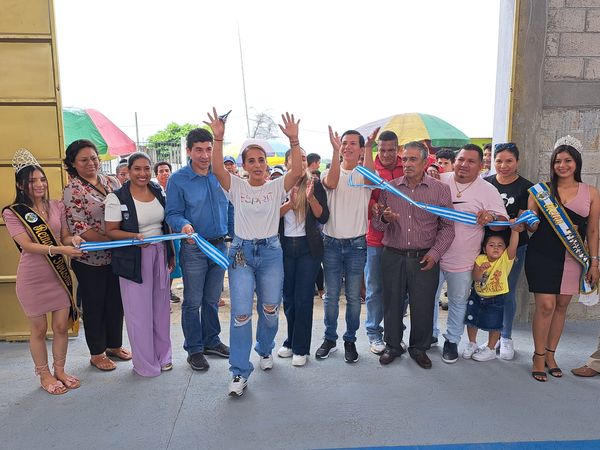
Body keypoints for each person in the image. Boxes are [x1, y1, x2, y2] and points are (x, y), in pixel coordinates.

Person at [205, 108, 303, 396]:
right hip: (241, 254)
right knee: (240, 314)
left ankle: (264, 347)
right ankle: (238, 371)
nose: (257, 164)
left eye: (261, 160)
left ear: (266, 163)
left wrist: (294, 140)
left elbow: (297, 172)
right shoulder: (235, 186)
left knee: (270, 309)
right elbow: (217, 170)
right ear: (244, 165)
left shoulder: (276, 186)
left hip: (271, 252)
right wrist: (218, 138)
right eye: (252, 160)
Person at [2, 149, 84, 394]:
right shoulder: (13, 212)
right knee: (38, 330)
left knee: (61, 327)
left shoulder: (57, 206)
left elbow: (64, 236)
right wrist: (60, 249)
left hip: (58, 277)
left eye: (42, 179)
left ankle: (60, 370)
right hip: (33, 279)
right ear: (20, 184)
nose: (39, 184)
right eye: (32, 181)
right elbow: (26, 245)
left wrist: (74, 240)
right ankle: (44, 374)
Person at [372, 142, 454, 368]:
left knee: (423, 305)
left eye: (413, 159)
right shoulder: (390, 188)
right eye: (405, 159)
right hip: (393, 255)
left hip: (424, 257)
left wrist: (435, 254)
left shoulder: (440, 190)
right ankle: (392, 346)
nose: (407, 164)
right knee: (392, 304)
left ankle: (419, 348)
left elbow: (448, 227)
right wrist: (384, 218)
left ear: (425, 162)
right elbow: (378, 225)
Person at [525, 136, 600, 382]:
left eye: (568, 160)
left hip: (572, 257)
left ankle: (551, 355)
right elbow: (532, 226)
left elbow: (593, 231)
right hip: (541, 254)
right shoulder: (540, 191)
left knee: (561, 306)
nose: (562, 165)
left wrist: (594, 262)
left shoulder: (591, 193)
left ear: (576, 163)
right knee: (546, 306)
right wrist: (527, 221)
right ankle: (538, 356)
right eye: (557, 161)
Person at [63, 139, 131, 371]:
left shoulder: (111, 181)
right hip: (90, 260)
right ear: (73, 163)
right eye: (84, 160)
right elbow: (80, 227)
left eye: (93, 158)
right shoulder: (72, 189)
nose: (91, 163)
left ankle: (114, 345)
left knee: (116, 302)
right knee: (94, 305)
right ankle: (97, 352)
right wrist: (114, 240)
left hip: (117, 255)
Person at [165, 128, 230, 371]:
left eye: (209, 149)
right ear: (189, 151)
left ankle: (212, 341)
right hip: (194, 248)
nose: (205, 155)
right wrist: (184, 225)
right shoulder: (178, 180)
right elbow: (172, 213)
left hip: (220, 246)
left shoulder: (220, 175)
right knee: (192, 301)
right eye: (199, 150)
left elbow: (231, 208)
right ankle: (194, 349)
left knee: (212, 299)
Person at [105, 152, 174, 376]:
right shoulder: (117, 197)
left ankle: (164, 357)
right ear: (128, 171)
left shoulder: (157, 190)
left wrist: (170, 254)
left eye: (146, 168)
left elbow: (165, 225)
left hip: (160, 253)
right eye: (137, 169)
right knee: (138, 313)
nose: (142, 173)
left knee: (161, 309)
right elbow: (111, 231)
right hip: (133, 259)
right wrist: (134, 237)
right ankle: (145, 364)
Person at [438, 144, 508, 363]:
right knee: (427, 299)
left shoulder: (488, 190)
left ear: (480, 166)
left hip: (464, 259)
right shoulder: (440, 180)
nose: (464, 165)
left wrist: (491, 217)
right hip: (433, 254)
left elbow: (503, 221)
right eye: (460, 159)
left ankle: (452, 341)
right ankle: (428, 336)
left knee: (458, 301)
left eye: (471, 161)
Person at [317, 127, 375, 363]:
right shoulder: (329, 172)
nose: (348, 147)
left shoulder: (364, 174)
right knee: (330, 296)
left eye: (353, 143)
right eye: (344, 143)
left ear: (360, 149)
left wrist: (369, 148)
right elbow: (331, 183)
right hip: (331, 244)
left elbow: (372, 180)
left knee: (353, 297)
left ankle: (350, 340)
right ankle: (329, 339)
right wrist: (334, 151)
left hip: (357, 246)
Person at [277, 148, 329, 366]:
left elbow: (323, 217)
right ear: (287, 162)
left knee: (303, 298)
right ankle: (290, 341)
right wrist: (290, 203)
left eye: (304, 158)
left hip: (309, 248)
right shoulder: (278, 184)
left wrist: (310, 199)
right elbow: (270, 217)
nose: (302, 162)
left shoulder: (314, 183)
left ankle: (301, 347)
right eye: (297, 158)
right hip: (284, 247)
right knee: (288, 297)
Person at [483, 143, 533, 359]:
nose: (503, 166)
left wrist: (521, 223)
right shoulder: (485, 183)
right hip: (487, 247)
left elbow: (527, 220)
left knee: (507, 291)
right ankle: (489, 337)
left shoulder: (527, 187)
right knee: (487, 289)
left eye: (509, 161)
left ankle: (506, 337)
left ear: (517, 162)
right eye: (499, 161)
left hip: (514, 247)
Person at [364, 130, 403, 355]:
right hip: (376, 240)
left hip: (402, 240)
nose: (387, 154)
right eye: (383, 149)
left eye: (391, 150)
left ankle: (395, 334)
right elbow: (363, 195)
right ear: (377, 149)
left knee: (400, 291)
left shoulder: (408, 166)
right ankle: (374, 333)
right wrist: (373, 206)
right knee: (375, 289)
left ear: (398, 149)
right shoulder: (369, 168)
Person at [463, 229, 520, 362]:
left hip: (496, 298)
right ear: (484, 248)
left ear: (505, 249)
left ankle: (491, 349)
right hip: (477, 295)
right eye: (491, 245)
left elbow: (513, 246)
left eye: (500, 245)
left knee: (495, 324)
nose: (496, 247)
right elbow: (476, 278)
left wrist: (515, 230)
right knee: (471, 320)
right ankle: (472, 343)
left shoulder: (505, 259)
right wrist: (480, 270)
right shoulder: (480, 259)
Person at [154, 161, 182, 304]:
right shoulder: (153, 191)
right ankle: (160, 294)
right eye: (161, 171)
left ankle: (168, 291)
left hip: (174, 232)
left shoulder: (176, 189)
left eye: (167, 170)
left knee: (173, 262)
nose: (164, 173)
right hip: (159, 233)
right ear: (156, 175)